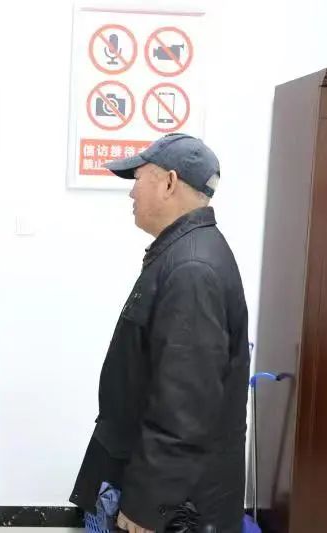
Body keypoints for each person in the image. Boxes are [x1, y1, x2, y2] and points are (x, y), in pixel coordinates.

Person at [70, 133, 250, 533]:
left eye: (138, 179)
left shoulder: (192, 269)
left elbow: (184, 409)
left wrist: (148, 504)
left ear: (169, 182)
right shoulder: (184, 252)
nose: (131, 192)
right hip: (170, 490)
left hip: (177, 507)